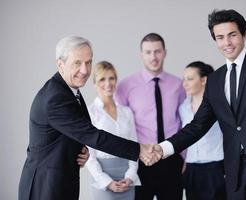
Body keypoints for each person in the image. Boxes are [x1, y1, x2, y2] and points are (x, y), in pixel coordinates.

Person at [148, 9, 246, 200]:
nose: (227, 43)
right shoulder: (215, 80)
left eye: (232, 35)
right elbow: (197, 126)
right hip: (234, 172)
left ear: (244, 34)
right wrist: (163, 148)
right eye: (220, 37)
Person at [18, 36, 156, 200]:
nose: (85, 70)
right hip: (45, 187)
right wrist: (139, 149)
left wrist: (79, 149)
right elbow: (93, 135)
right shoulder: (55, 97)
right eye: (77, 63)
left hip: (59, 182)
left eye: (88, 62)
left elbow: (71, 132)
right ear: (60, 64)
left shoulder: (69, 90)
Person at [115, 33, 186, 200]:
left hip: (171, 158)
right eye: (148, 52)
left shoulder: (179, 85)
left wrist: (184, 157)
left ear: (165, 53)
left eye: (157, 51)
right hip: (141, 159)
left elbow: (185, 121)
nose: (153, 57)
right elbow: (122, 124)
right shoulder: (125, 86)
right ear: (141, 55)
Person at [86, 61, 141, 200]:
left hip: (126, 178)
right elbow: (89, 155)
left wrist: (130, 176)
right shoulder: (90, 113)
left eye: (111, 78)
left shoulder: (126, 112)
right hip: (102, 178)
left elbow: (134, 145)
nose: (108, 83)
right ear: (94, 83)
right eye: (102, 79)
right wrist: (107, 182)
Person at [180, 61, 225, 200]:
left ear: (204, 80)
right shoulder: (183, 107)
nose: (185, 83)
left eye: (190, 79)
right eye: (184, 79)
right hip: (192, 168)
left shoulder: (219, 106)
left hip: (215, 167)